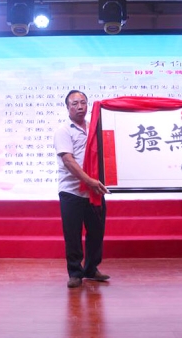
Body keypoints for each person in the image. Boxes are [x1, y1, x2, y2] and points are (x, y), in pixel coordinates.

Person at [54, 90, 111, 288]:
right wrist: (89, 181)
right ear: (67, 107)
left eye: (83, 103)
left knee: (96, 232)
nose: (80, 107)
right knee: (73, 234)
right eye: (75, 104)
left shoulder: (94, 128)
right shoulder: (63, 130)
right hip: (71, 191)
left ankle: (91, 268)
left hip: (94, 191)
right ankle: (75, 272)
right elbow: (68, 161)